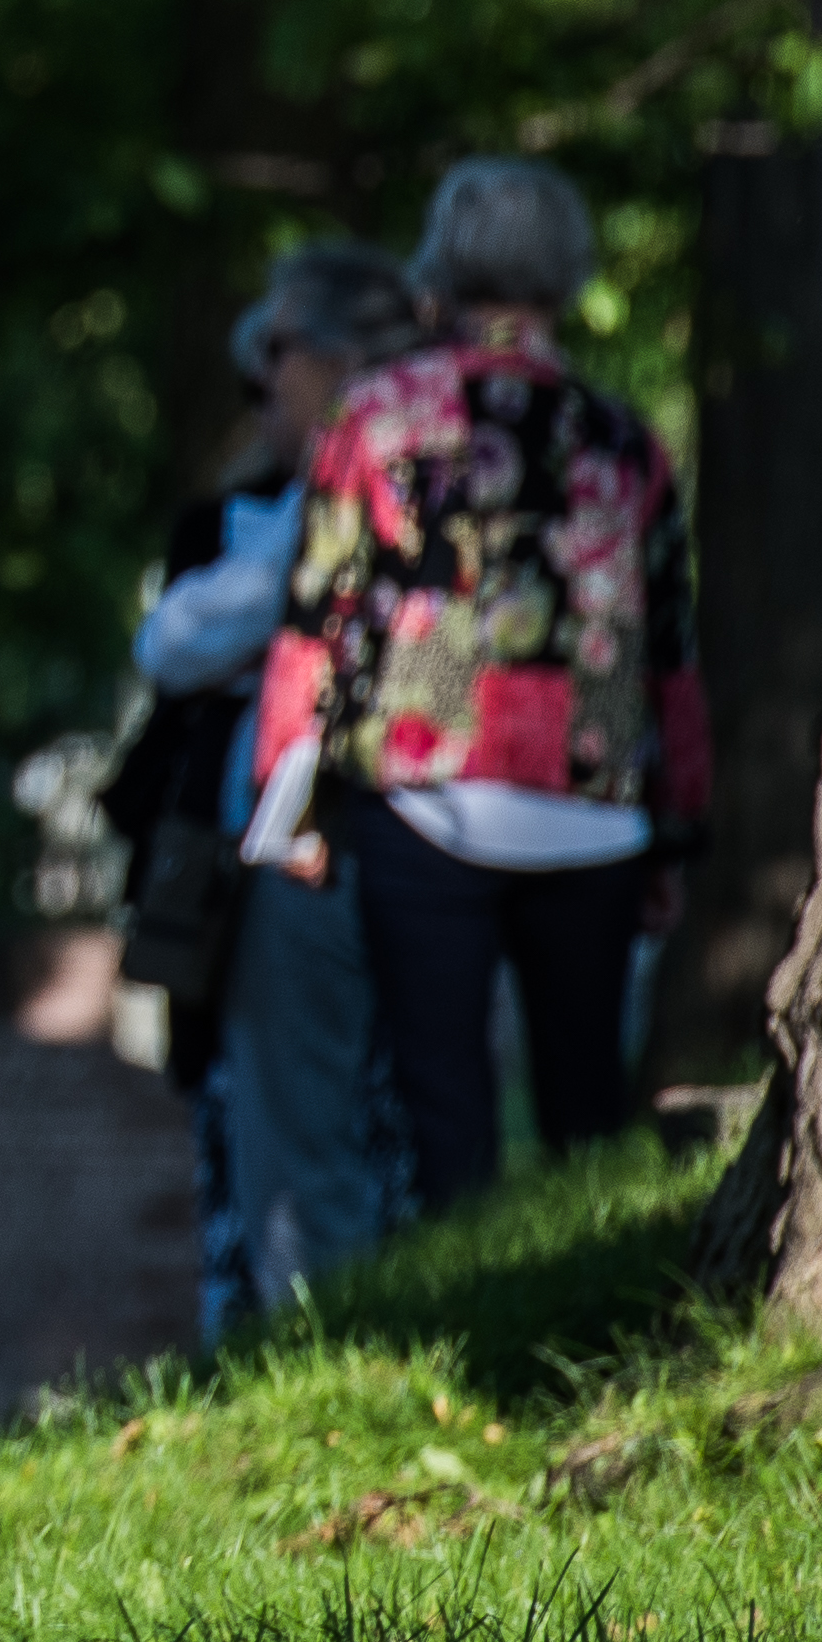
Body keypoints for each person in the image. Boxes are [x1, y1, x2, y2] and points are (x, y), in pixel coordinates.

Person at [261, 156, 703, 1210]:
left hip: (425, 786)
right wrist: (676, 825)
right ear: (564, 273)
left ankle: (455, 1331)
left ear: (444, 266)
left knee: (441, 1099)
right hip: (591, 804)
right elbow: (668, 650)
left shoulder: (378, 414)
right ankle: (593, 1325)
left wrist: (293, 800)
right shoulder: (622, 436)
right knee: (582, 1106)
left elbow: (319, 616)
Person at [131, 242, 418, 1326]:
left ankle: (328, 1354)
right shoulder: (251, 511)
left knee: (320, 1133)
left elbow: (187, 639)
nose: (260, 383)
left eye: (277, 354)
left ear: (343, 362)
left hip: (317, 840)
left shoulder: (348, 495)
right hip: (301, 847)